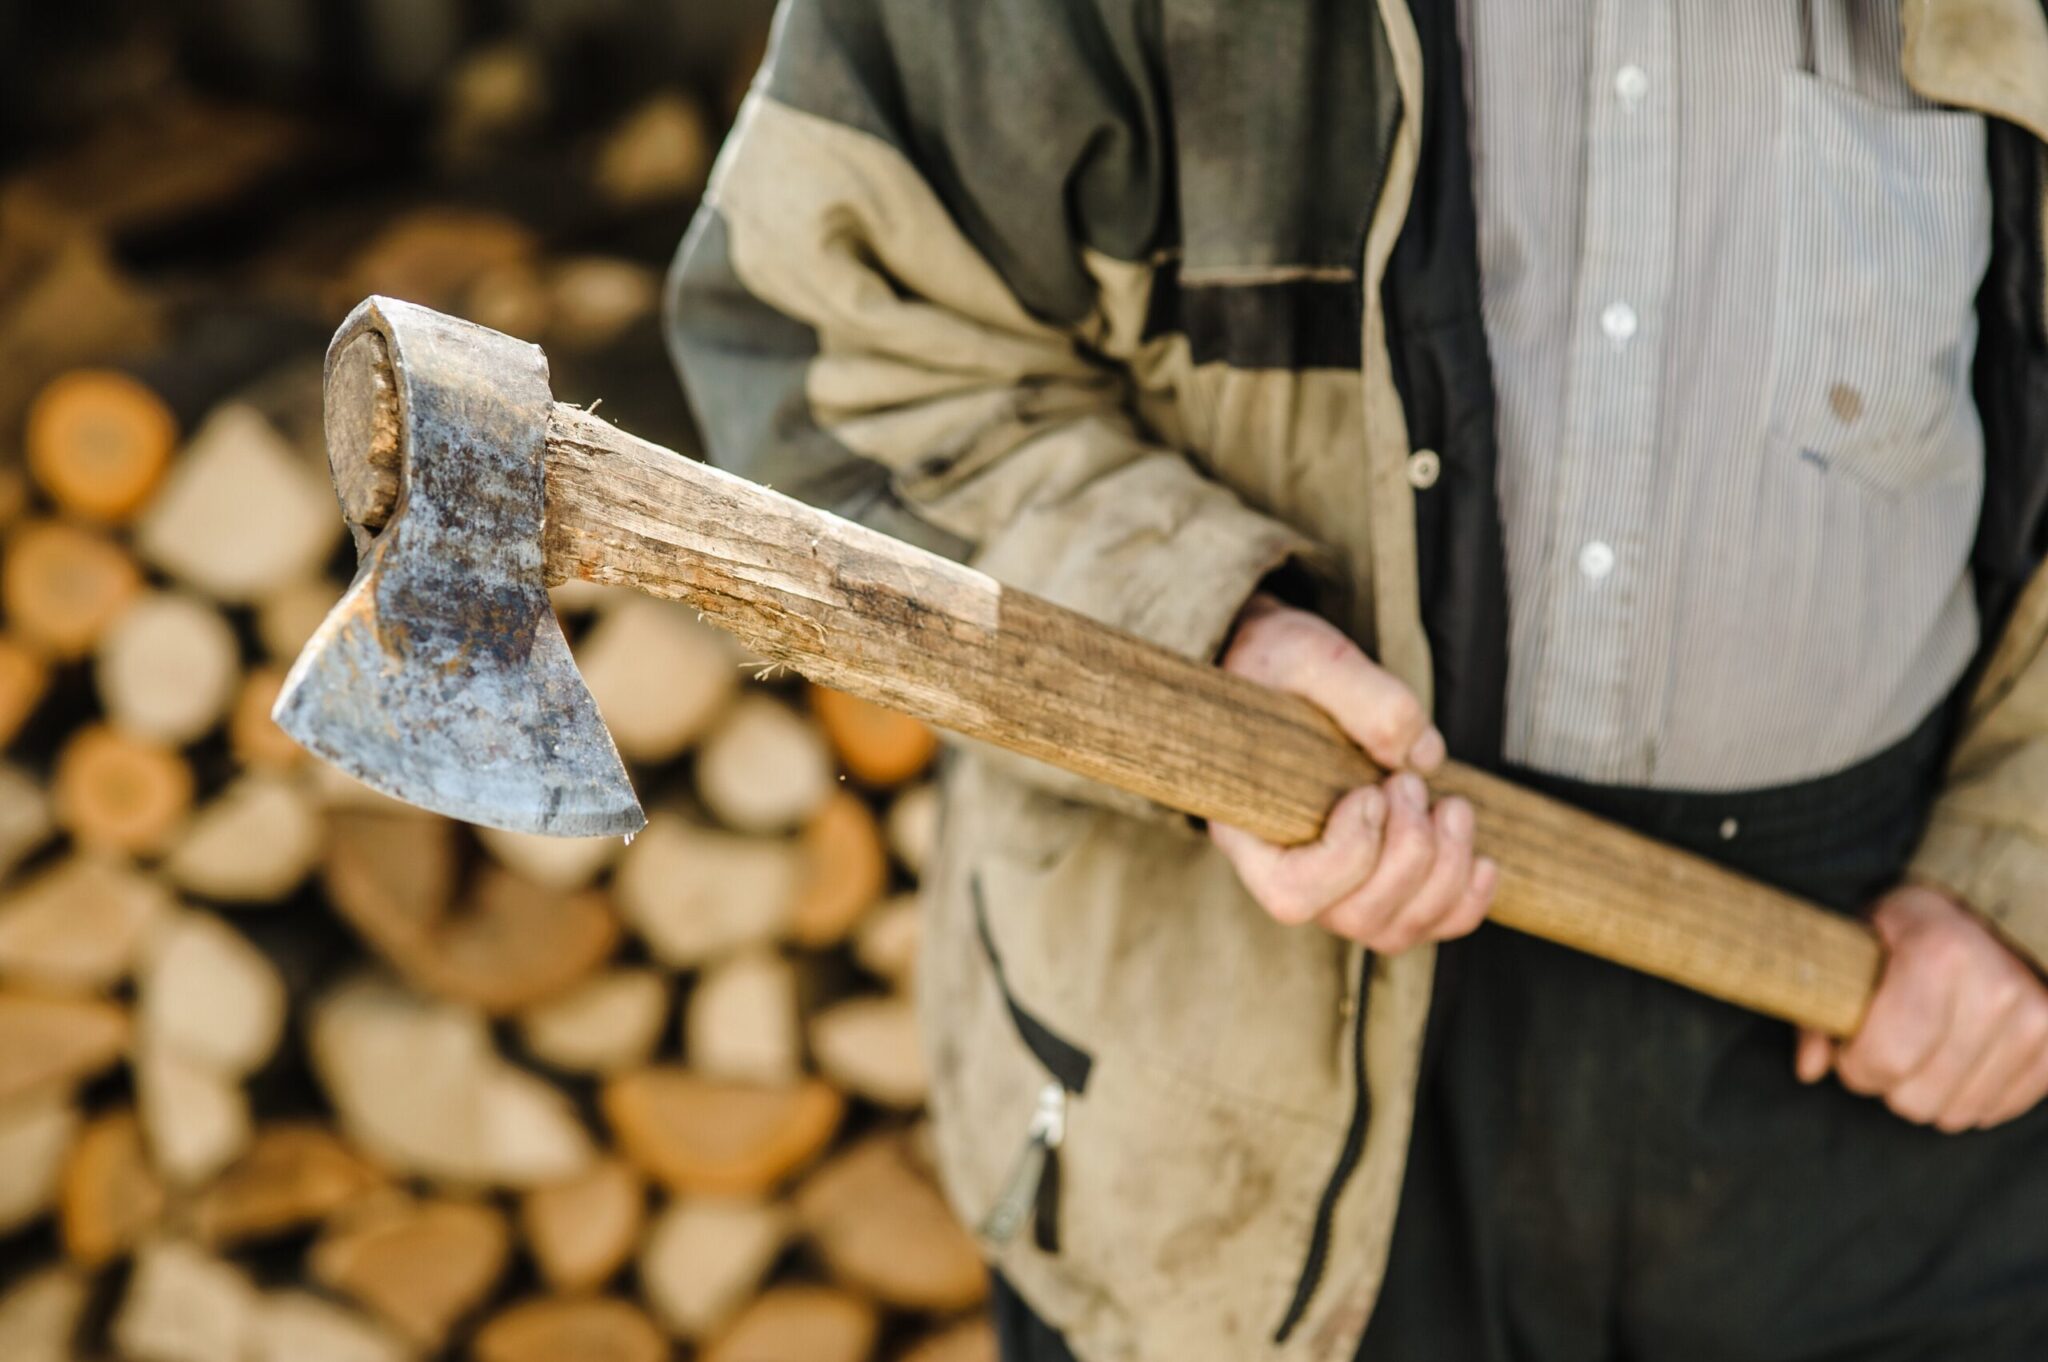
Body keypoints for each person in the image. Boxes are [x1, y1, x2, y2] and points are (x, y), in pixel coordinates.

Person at [667, 1, 2048, 1357]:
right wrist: (1204, 658)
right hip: (1249, 1095)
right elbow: (823, 341)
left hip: (1903, 1072)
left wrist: (2023, 854)